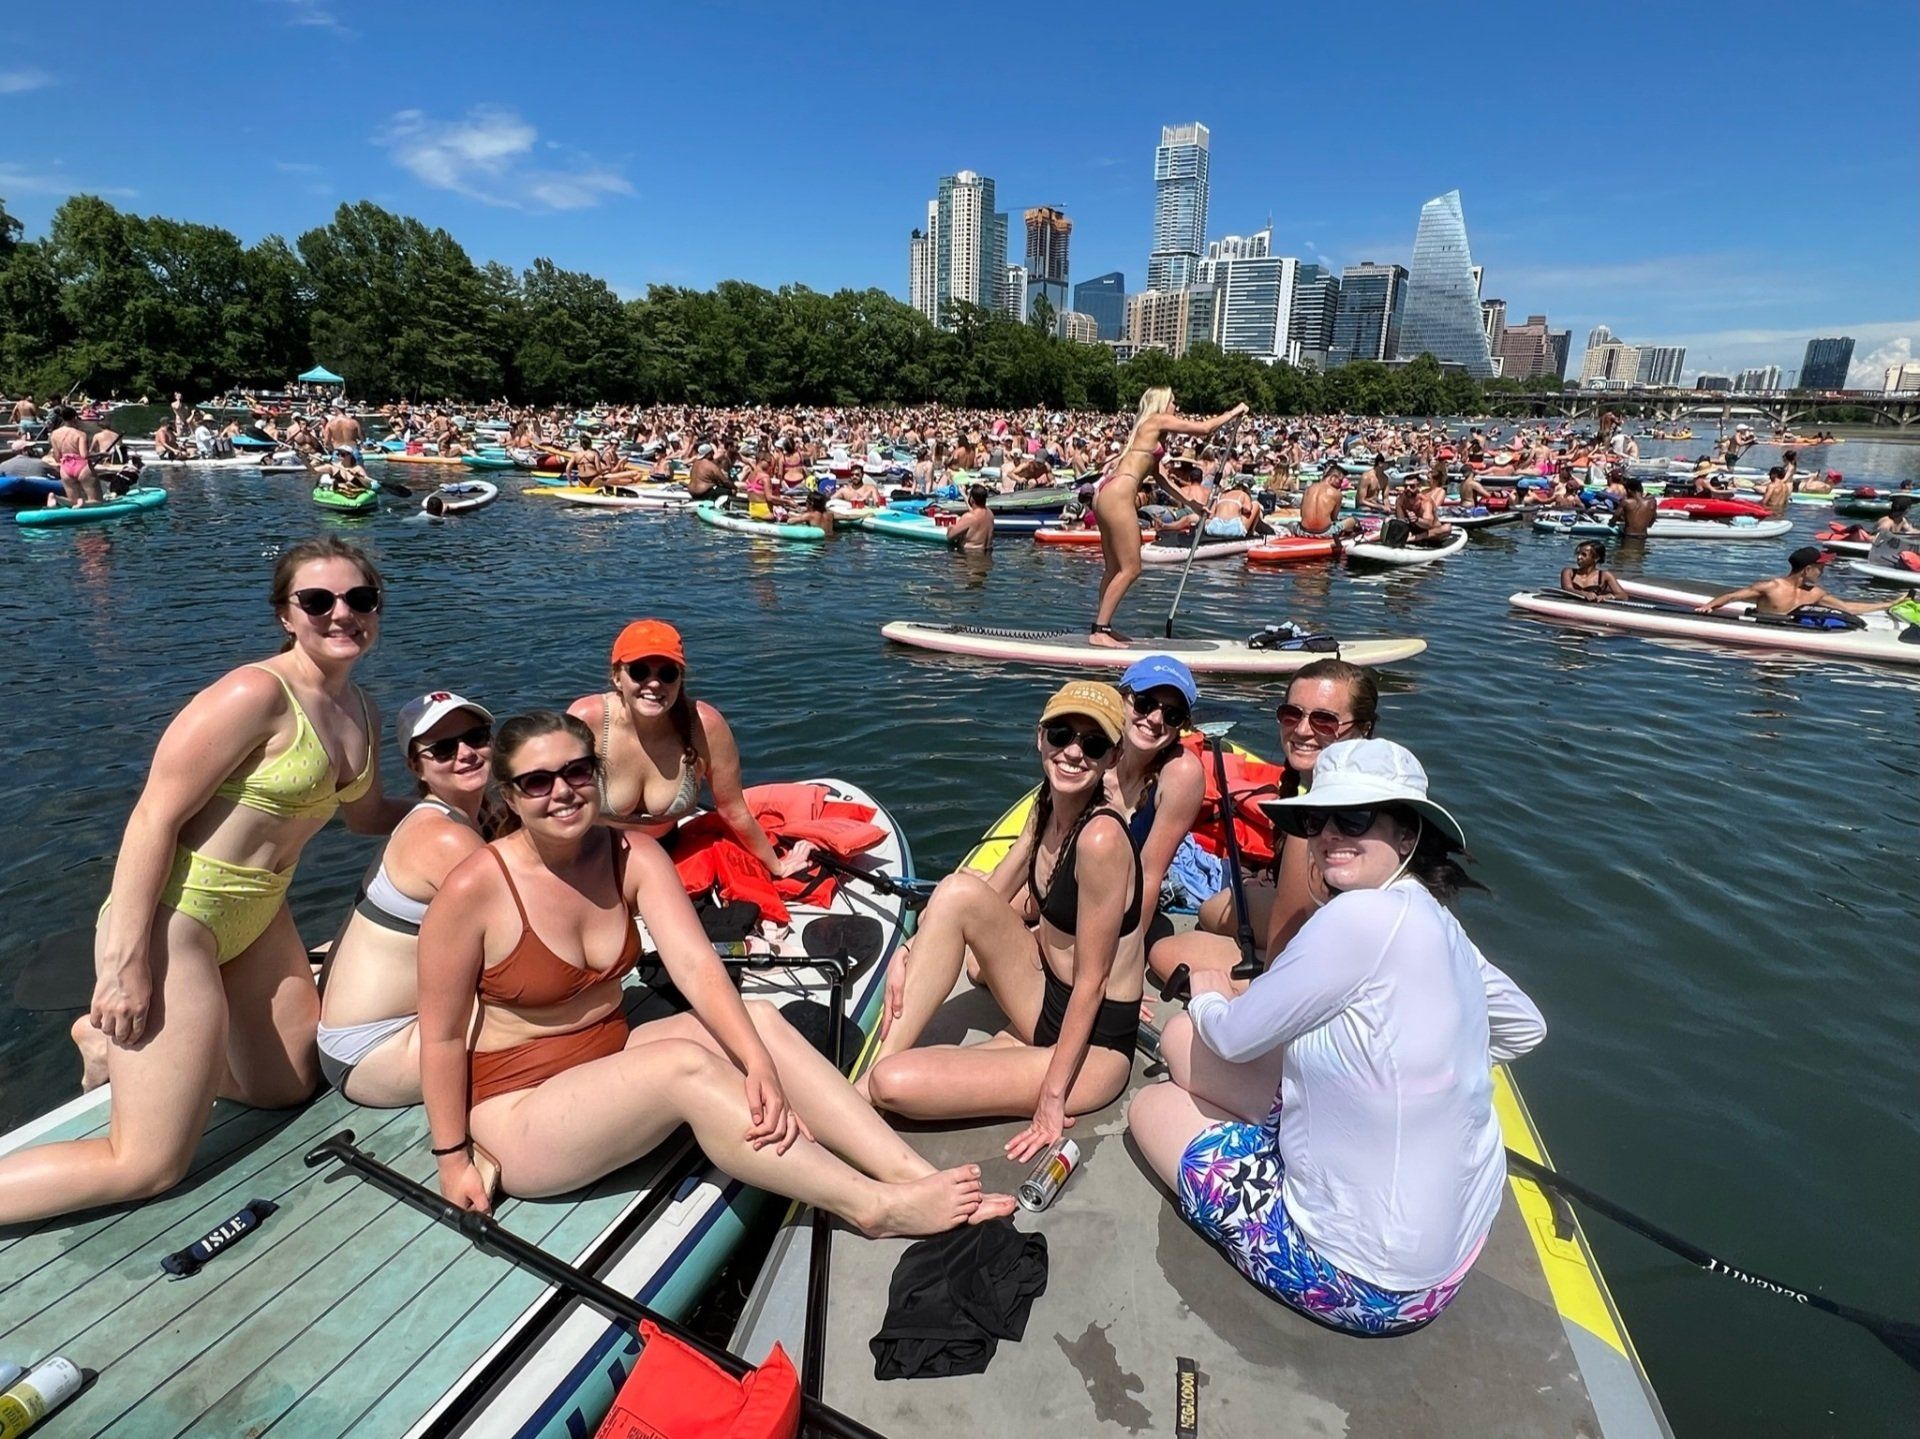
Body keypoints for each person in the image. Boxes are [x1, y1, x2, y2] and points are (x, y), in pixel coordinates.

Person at [416, 711, 1013, 1230]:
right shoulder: (476, 889)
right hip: (519, 1110)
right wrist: (452, 1160)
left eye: (576, 772)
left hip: (605, 1054)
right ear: (510, 796)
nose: (563, 792)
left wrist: (757, 1065)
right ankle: (872, 1208)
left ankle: (906, 1171)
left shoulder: (632, 855)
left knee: (758, 1022)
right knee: (684, 1066)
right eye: (537, 782)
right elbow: (441, 1036)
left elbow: (699, 966)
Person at [0, 538, 411, 1224]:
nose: (342, 613)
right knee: (146, 1164)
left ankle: (129, 1050)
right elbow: (152, 816)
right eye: (318, 600)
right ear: (286, 613)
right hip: (177, 918)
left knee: (286, 1086)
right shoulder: (254, 693)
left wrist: (476, 809)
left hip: (260, 914)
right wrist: (124, 965)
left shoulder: (359, 709)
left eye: (359, 598)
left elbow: (367, 817)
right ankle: (124, 1037)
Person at [1129, 738, 1545, 1335]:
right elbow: (1526, 1028)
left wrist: (1212, 990)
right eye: (1316, 819)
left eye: (1353, 817)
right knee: (1178, 1043)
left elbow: (1234, 1038)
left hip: (1364, 1280)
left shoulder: (1356, 916)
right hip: (1456, 1254)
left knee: (1156, 1102)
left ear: (1408, 836)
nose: (1328, 834)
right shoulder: (1434, 918)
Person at [858, 682, 1145, 1160]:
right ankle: (863, 1090)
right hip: (1045, 996)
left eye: (1092, 744)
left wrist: (1052, 1100)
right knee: (954, 890)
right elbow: (986, 893)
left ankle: (868, 1091)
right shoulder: (1046, 803)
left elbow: (1092, 983)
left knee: (896, 1086)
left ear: (1113, 758)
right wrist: (909, 949)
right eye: (1061, 735)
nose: (1073, 752)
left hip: (1094, 1044)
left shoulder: (1101, 841)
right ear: (1040, 738)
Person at [1149, 660, 1380, 994]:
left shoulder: (1311, 825)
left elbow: (1283, 964)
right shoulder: (1375, 788)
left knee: (1165, 952)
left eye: (1324, 721)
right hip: (1333, 931)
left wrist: (1262, 968)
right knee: (1214, 909)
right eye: (1292, 714)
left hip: (1334, 972)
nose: (1301, 730)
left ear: (1363, 729)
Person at [316, 693, 496, 1105]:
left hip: (380, 1033)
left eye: (476, 737)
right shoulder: (445, 836)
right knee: (548, 1012)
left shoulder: (469, 816)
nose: (466, 753)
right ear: (417, 766)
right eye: (444, 749)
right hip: (376, 1054)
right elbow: (523, 930)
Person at [566, 620, 810, 876]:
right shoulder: (588, 719)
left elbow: (732, 809)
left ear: (680, 679)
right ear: (617, 677)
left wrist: (778, 865)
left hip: (663, 854)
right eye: (639, 671)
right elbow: (549, 797)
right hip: (590, 852)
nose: (654, 684)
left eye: (667, 673)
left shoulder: (706, 727)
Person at [1089, 389, 1248, 646]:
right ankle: (1100, 630)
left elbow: (1161, 479)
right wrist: (1234, 411)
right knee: (1131, 568)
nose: (1177, 404)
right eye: (1174, 400)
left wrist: (1191, 503)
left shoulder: (1148, 433)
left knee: (1113, 568)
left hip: (1106, 493)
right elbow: (1205, 429)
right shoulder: (1156, 420)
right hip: (1118, 494)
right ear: (1163, 403)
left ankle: (1101, 627)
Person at [1109, 656, 1205, 931]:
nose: (1155, 719)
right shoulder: (1091, 748)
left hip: (1118, 902)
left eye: (1172, 715)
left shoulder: (1181, 773)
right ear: (1121, 698)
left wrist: (1126, 954)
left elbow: (1149, 876)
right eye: (1144, 703)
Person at [1695, 547, 1899, 617]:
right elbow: (1732, 596)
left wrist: (1888, 604)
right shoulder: (1771, 587)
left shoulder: (1815, 593)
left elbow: (1847, 608)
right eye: (1820, 567)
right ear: (1808, 569)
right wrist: (1708, 607)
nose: (1823, 570)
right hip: (1762, 635)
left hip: (1791, 644)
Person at [47, 406, 101, 507]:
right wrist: (101, 454)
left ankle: (55, 497)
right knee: (96, 501)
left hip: (65, 467)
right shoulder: (80, 434)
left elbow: (57, 457)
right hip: (81, 466)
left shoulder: (54, 434)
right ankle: (83, 503)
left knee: (72, 500)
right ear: (74, 418)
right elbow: (84, 455)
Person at [1559, 540, 1629, 601]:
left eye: (1584, 555)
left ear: (1596, 558)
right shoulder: (1568, 572)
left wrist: (1607, 596)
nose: (1579, 557)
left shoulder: (1605, 575)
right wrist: (1585, 594)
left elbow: (1623, 596)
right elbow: (1567, 589)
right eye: (1578, 554)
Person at [946, 482, 995, 551]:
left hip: (969, 556)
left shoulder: (969, 517)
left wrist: (950, 527)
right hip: (987, 555)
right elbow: (975, 512)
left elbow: (950, 536)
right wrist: (964, 495)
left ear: (972, 499)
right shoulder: (990, 514)